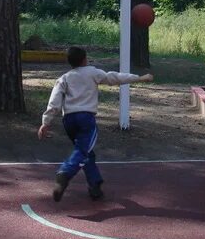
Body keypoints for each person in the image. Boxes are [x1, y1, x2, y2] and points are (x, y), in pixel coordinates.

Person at [37, 46, 154, 202]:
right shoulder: (92, 72)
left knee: (87, 152)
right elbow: (114, 78)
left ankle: (95, 185)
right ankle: (65, 173)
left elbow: (54, 102)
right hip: (86, 119)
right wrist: (138, 78)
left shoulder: (64, 78)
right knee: (82, 150)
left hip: (69, 121)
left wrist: (46, 122)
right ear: (85, 59)